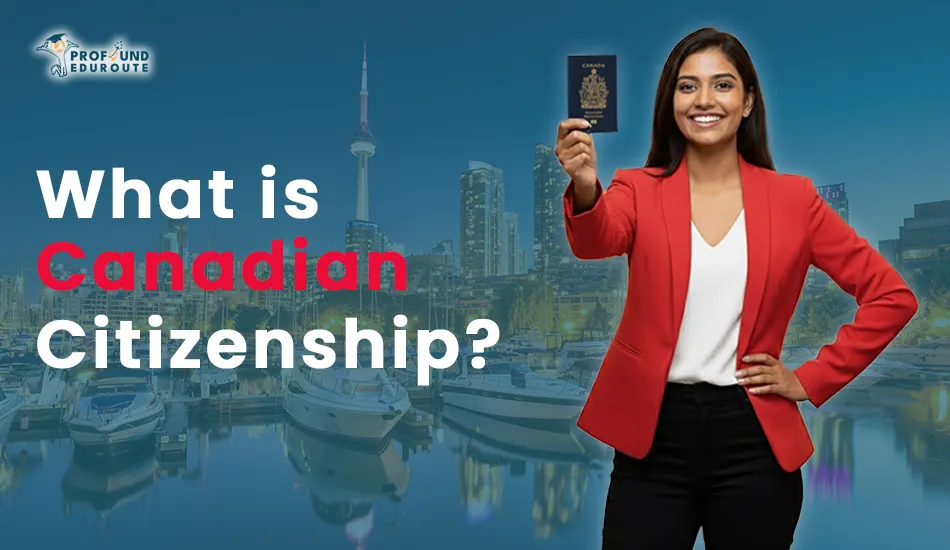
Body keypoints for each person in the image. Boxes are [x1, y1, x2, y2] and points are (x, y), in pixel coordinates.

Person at [555, 27, 918, 549]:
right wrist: (586, 183)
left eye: (722, 85)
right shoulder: (637, 187)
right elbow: (596, 241)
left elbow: (891, 297)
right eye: (688, 87)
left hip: (754, 440)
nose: (705, 100)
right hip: (653, 437)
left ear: (747, 101)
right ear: (670, 102)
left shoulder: (794, 199)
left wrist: (811, 378)